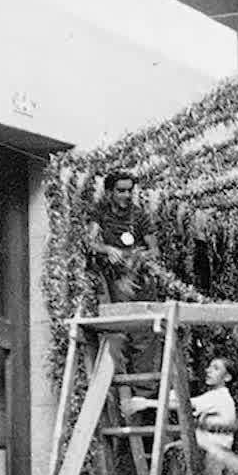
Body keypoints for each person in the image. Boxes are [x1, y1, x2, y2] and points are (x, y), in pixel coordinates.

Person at [89, 170, 166, 397]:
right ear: (110, 192)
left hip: (139, 282)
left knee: (144, 334)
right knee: (118, 333)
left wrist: (139, 257)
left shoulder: (140, 216)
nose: (126, 195)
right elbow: (89, 243)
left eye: (129, 191)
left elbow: (155, 250)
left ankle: (145, 395)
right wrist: (107, 249)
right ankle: (120, 392)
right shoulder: (100, 215)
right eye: (121, 191)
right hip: (115, 283)